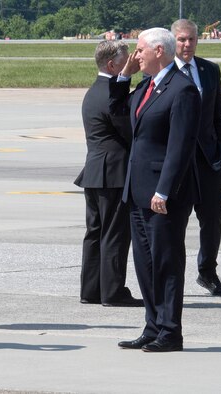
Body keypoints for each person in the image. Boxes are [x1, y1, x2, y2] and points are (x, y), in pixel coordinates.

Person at [113, 28, 201, 351]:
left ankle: (170, 331)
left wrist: (163, 191)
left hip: (163, 196)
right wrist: (124, 75)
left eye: (139, 50)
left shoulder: (182, 90)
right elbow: (117, 112)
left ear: (158, 51)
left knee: (166, 261)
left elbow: (180, 147)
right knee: (145, 263)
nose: (136, 56)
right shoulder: (146, 87)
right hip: (138, 192)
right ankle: (152, 325)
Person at [74, 40, 143, 307]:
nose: (131, 63)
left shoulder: (95, 90)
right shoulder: (109, 94)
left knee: (95, 232)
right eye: (126, 60)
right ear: (112, 64)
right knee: (115, 233)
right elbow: (129, 130)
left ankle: (91, 289)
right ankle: (112, 291)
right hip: (113, 173)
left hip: (95, 172)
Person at [171, 19, 221, 296]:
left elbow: (219, 115)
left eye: (191, 39)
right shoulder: (163, 72)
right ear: (173, 41)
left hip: (208, 160)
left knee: (212, 217)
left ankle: (208, 272)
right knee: (176, 220)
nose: (187, 45)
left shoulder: (209, 70)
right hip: (178, 162)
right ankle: (173, 275)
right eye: (182, 40)